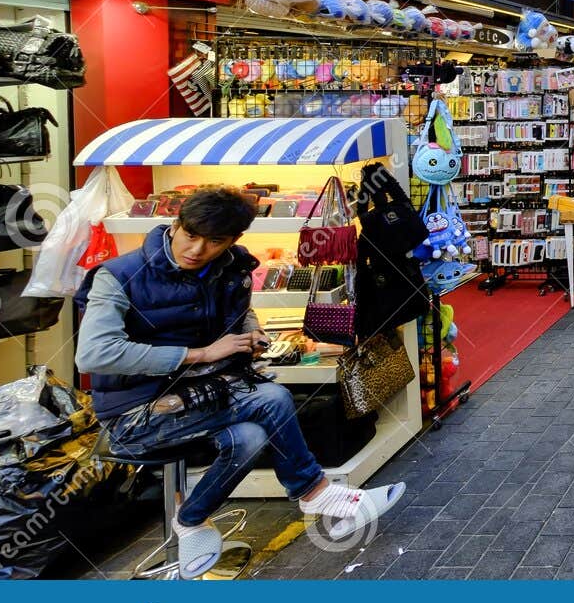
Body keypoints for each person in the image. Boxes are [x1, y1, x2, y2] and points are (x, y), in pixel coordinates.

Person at [75, 188, 406, 579]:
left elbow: (241, 313)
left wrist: (252, 333)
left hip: (202, 397)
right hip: (135, 416)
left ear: (232, 241)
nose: (197, 249)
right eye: (191, 235)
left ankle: (192, 518)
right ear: (176, 225)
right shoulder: (119, 276)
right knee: (270, 398)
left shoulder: (230, 269)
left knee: (250, 436)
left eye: (215, 241)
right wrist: (201, 353)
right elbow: (93, 355)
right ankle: (314, 492)